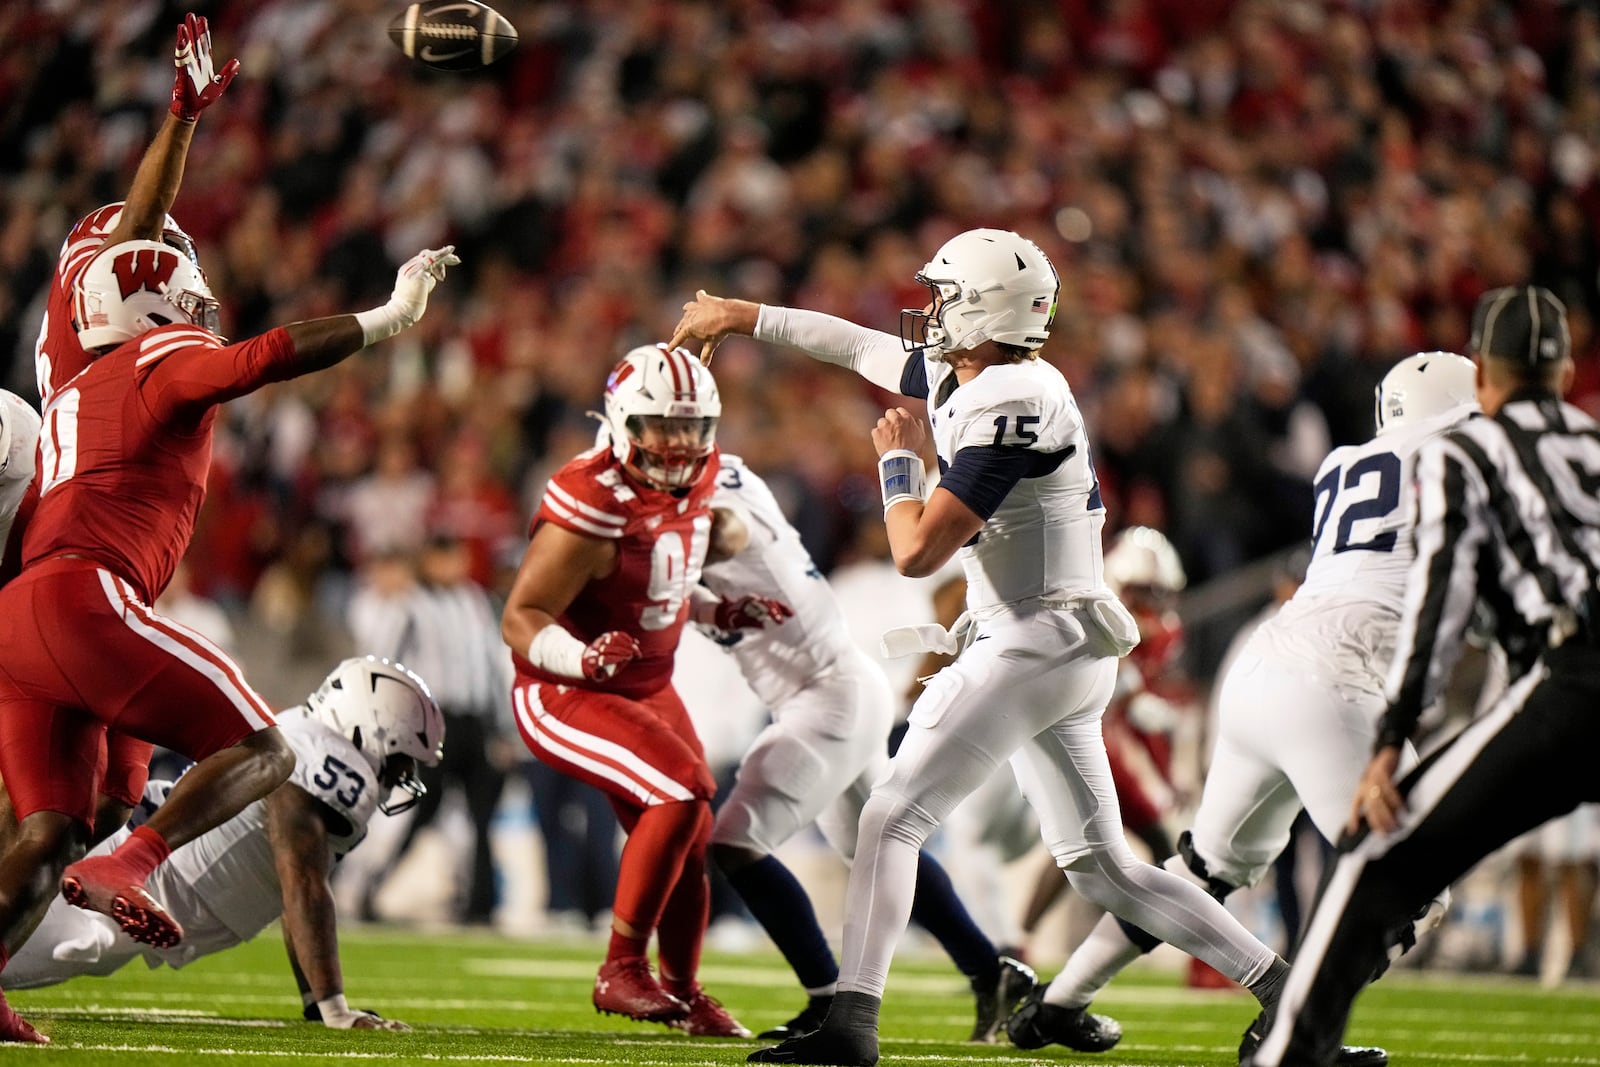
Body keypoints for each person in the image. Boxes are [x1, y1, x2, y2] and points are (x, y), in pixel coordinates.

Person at [672, 227, 1315, 1067]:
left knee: (890, 816)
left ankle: (851, 1023)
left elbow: (917, 551)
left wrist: (898, 468)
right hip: (1060, 641)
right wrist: (738, 314)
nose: (931, 312)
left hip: (1033, 640)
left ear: (984, 309)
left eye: (946, 297)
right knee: (1103, 868)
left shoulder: (1010, 397)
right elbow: (855, 344)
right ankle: (1287, 993)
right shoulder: (983, 374)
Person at [0, 204, 458, 1040]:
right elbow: (258, 360)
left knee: (53, 830)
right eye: (187, 295)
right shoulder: (155, 353)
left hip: (26, 611)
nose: (201, 310)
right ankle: (132, 863)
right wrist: (387, 318)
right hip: (86, 600)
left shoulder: (68, 392)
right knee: (265, 747)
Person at [1018, 351, 1481, 1059]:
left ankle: (1058, 1002)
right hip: (1333, 681)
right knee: (1414, 879)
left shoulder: (1345, 463)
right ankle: (1295, 1025)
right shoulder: (1469, 462)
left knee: (1204, 869)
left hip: (1264, 661)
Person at [1247, 286, 1600, 1066]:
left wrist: (1389, 739)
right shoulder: (1592, 446)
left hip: (1574, 684)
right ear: (1568, 371)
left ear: (1486, 379)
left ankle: (1286, 1053)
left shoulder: (1464, 452)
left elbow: (1438, 603)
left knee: (1378, 854)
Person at [500, 343, 789, 1038]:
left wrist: (723, 611)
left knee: (693, 828)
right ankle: (620, 966)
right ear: (623, 421)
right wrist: (583, 656)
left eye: (692, 427)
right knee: (681, 789)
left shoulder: (697, 479)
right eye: (662, 424)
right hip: (562, 688)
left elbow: (661, 586)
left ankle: (684, 995)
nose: (679, 442)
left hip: (646, 684)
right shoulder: (592, 496)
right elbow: (520, 617)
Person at [697, 453, 1033, 1043]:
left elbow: (721, 531)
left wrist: (643, 539)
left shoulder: (718, 507)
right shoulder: (842, 571)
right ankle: (990, 971)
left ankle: (830, 998)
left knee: (735, 843)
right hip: (833, 692)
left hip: (832, 697)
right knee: (875, 847)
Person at [22, 12, 237, 858]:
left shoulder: (127, 349)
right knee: (59, 791)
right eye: (167, 254)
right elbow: (137, 230)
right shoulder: (105, 298)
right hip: (61, 549)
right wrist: (181, 120)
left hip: (91, 560)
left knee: (108, 801)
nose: (181, 276)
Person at [1, 656, 442, 1035]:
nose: (406, 777)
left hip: (127, 898)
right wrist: (335, 1008)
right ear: (369, 730)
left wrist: (316, 1000)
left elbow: (299, 889)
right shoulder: (323, 764)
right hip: (107, 897)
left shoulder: (306, 744)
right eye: (403, 760)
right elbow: (302, 883)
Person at [350, 533, 510, 925]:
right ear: (429, 562)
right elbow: (386, 664)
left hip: (475, 720)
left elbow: (491, 665)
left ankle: (482, 905)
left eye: (456, 559)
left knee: (482, 815)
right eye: (442, 560)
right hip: (434, 722)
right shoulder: (411, 606)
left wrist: (503, 726)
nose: (450, 568)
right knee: (426, 809)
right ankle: (375, 887)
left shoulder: (475, 601)